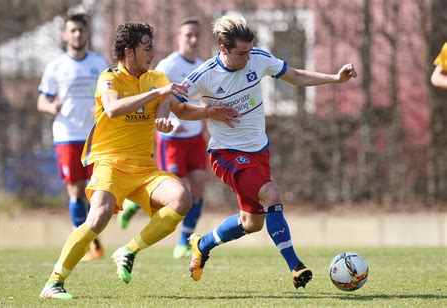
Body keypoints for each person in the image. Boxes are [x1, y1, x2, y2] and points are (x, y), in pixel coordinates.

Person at [39, 22, 239, 300]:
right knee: (97, 217)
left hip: (144, 169)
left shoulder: (155, 78)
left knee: (183, 198)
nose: (153, 53)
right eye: (147, 48)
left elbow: (180, 109)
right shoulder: (110, 78)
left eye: (153, 47)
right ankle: (54, 282)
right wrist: (159, 94)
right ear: (128, 51)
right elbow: (112, 108)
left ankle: (129, 250)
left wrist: (210, 112)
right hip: (110, 163)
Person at [178, 15, 357, 289]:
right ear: (222, 48)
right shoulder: (205, 75)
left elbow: (294, 75)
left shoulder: (258, 58)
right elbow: (176, 105)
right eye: (241, 53)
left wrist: (334, 79)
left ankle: (202, 244)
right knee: (272, 193)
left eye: (249, 51)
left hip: (259, 152)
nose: (248, 58)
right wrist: (209, 112)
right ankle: (296, 266)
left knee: (252, 223)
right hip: (226, 154)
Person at [117, 17, 209, 260]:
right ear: (179, 38)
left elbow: (203, 99)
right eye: (188, 34)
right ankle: (135, 204)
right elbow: (159, 98)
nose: (193, 39)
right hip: (173, 139)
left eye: (197, 35)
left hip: (195, 136)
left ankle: (185, 239)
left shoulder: (202, 66)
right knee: (180, 189)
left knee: (198, 186)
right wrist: (169, 124)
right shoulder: (168, 65)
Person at [37, 13, 108, 261]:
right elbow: (41, 101)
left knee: (98, 190)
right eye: (73, 30)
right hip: (67, 136)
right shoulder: (56, 66)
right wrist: (51, 106)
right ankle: (85, 241)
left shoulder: (99, 64)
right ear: (65, 34)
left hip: (95, 135)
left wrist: (102, 106)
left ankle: (89, 235)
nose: (77, 34)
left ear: (87, 34)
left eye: (81, 30)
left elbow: (111, 92)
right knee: (76, 191)